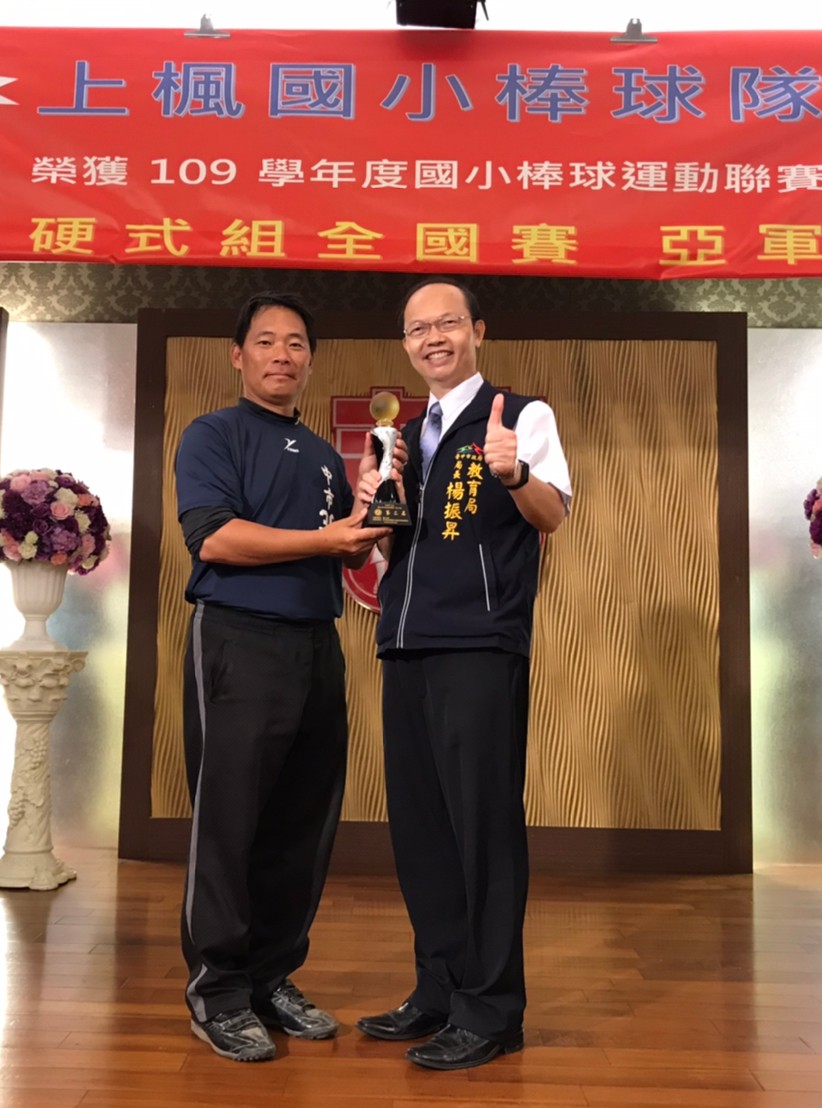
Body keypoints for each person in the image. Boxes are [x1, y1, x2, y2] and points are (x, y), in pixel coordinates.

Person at [173, 291, 402, 1063]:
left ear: (310, 360)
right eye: (267, 341)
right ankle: (217, 990)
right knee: (230, 819)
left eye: (297, 343)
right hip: (238, 638)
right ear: (238, 355)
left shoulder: (327, 459)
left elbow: (345, 551)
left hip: (315, 643)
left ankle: (271, 977)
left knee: (302, 823)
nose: (282, 354)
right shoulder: (212, 434)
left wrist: (369, 521)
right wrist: (325, 539)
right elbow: (215, 540)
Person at [354, 278, 572, 1071]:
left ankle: (492, 1011)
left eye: (448, 323)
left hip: (480, 644)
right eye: (419, 329)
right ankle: (439, 991)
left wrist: (513, 474)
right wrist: (377, 499)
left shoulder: (522, 415)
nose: (434, 338)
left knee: (482, 828)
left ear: (478, 331)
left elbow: (552, 515)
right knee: (423, 831)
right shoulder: (404, 433)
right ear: (406, 345)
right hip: (406, 643)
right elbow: (389, 548)